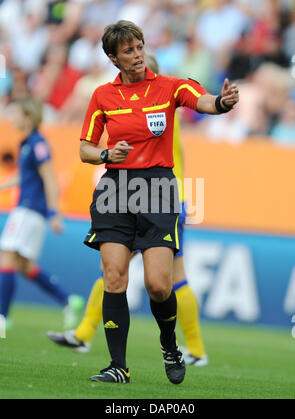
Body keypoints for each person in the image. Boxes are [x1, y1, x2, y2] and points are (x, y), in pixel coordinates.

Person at [78, 20, 239, 385]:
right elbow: (85, 149)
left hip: (158, 190)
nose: (136, 56)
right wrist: (107, 153)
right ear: (112, 58)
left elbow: (203, 101)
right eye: (128, 51)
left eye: (139, 47)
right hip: (115, 189)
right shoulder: (103, 96)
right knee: (114, 275)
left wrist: (223, 103)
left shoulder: (169, 86)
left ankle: (170, 346)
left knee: (158, 285)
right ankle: (118, 365)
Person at [47, 53, 208, 367]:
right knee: (115, 272)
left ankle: (197, 349)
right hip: (135, 195)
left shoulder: (163, 104)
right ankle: (84, 334)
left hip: (162, 198)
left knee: (169, 279)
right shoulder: (148, 106)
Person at [0, 97, 84, 330]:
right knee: (25, 266)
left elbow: (49, 178)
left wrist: (54, 213)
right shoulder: (26, 143)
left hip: (29, 209)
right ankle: (68, 300)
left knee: (5, 257)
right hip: (29, 210)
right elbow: (24, 176)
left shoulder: (38, 143)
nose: (12, 118)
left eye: (16, 114)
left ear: (28, 117)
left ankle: (2, 317)